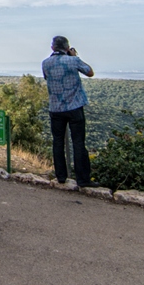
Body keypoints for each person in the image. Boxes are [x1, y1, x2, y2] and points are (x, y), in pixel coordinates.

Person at [42, 35, 100, 188]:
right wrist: (74, 56)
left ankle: (61, 176)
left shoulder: (45, 63)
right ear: (67, 48)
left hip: (55, 109)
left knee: (58, 142)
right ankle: (83, 179)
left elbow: (47, 78)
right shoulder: (73, 60)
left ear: (52, 48)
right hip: (74, 107)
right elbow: (90, 72)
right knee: (78, 143)